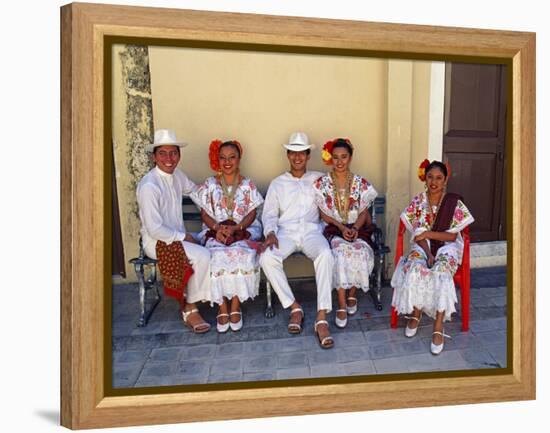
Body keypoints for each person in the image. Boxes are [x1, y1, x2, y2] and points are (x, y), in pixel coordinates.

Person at [259, 132, 335, 349]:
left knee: (325, 255)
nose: (297, 157)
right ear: (288, 155)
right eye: (293, 153)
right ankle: (294, 307)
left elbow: (337, 197)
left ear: (308, 155)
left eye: (302, 153)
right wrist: (270, 232)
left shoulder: (319, 180)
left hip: (312, 232)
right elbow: (270, 214)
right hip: (286, 233)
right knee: (266, 258)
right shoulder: (277, 183)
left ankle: (321, 318)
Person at [391, 159, 475, 355]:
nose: (434, 182)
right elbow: (417, 235)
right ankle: (416, 313)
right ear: (424, 178)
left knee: (441, 274)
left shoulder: (453, 203)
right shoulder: (419, 202)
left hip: (447, 247)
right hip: (423, 247)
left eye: (439, 178)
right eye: (430, 177)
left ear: (445, 180)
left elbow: (452, 236)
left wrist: (429, 234)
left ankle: (438, 325)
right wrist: (428, 254)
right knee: (415, 268)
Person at [136, 128, 212, 333]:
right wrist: (185, 236)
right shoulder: (149, 186)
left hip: (179, 237)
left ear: (179, 155)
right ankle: (190, 308)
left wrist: (215, 193)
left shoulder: (177, 175)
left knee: (213, 241)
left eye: (173, 153)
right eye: (163, 153)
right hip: (158, 242)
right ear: (154, 156)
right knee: (203, 255)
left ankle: (218, 295)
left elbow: (194, 191)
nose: (169, 158)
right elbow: (154, 228)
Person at [190, 139, 264, 333]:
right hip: (216, 231)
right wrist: (217, 228)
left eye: (232, 157)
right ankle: (222, 307)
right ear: (217, 160)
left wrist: (237, 228)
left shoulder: (247, 185)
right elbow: (204, 212)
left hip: (242, 230)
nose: (227, 162)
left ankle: (235, 306)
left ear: (239, 159)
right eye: (222, 158)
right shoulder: (210, 184)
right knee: (213, 255)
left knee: (241, 254)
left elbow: (252, 213)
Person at [313, 138, 378, 329]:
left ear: (350, 158)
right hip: (335, 228)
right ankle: (341, 303)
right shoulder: (323, 183)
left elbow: (364, 212)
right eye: (335, 157)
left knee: (359, 252)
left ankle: (352, 295)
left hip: (358, 228)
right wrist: (342, 228)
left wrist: (355, 229)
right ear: (330, 159)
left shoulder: (360, 183)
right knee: (340, 253)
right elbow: (323, 213)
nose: (339, 162)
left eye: (344, 157)